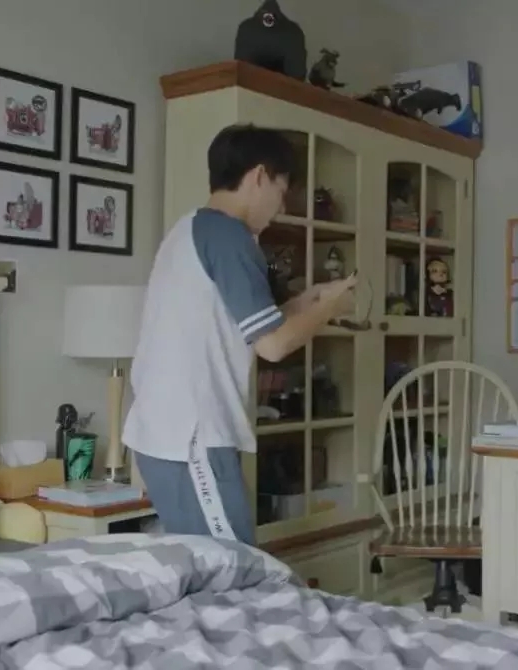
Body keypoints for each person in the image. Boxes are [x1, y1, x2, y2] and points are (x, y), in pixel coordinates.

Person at [122, 124, 357, 545]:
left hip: (170, 435)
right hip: (192, 437)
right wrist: (331, 309)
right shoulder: (231, 236)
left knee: (213, 566)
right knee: (234, 566)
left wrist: (307, 302)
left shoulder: (193, 229)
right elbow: (274, 345)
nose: (280, 208)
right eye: (282, 192)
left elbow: (246, 325)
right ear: (259, 176)